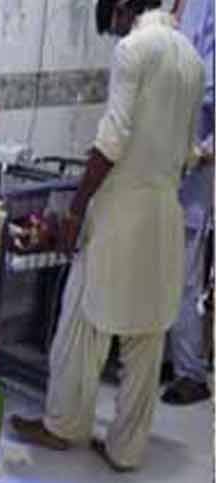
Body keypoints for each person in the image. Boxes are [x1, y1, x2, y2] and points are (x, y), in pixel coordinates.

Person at [11, 0, 205, 471]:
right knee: (147, 334)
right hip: (165, 209)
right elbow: (187, 152)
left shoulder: (134, 50)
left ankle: (63, 425)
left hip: (120, 212)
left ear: (121, 8)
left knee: (81, 317)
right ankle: (127, 449)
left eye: (113, 24)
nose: (116, 34)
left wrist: (76, 209)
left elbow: (112, 138)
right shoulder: (191, 58)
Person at [163, 0, 215, 406]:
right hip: (171, 159)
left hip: (196, 161)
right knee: (165, 266)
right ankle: (170, 357)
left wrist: (204, 151)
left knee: (183, 269)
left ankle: (190, 372)